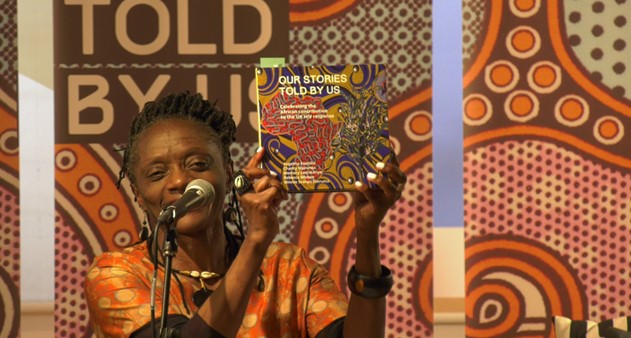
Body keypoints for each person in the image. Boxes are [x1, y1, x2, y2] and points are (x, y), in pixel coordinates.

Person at [83, 91, 407, 337]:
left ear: (227, 171)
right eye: (156, 174)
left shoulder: (288, 269)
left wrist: (367, 232)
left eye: (198, 164)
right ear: (138, 195)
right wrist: (255, 241)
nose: (180, 181)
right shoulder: (115, 274)